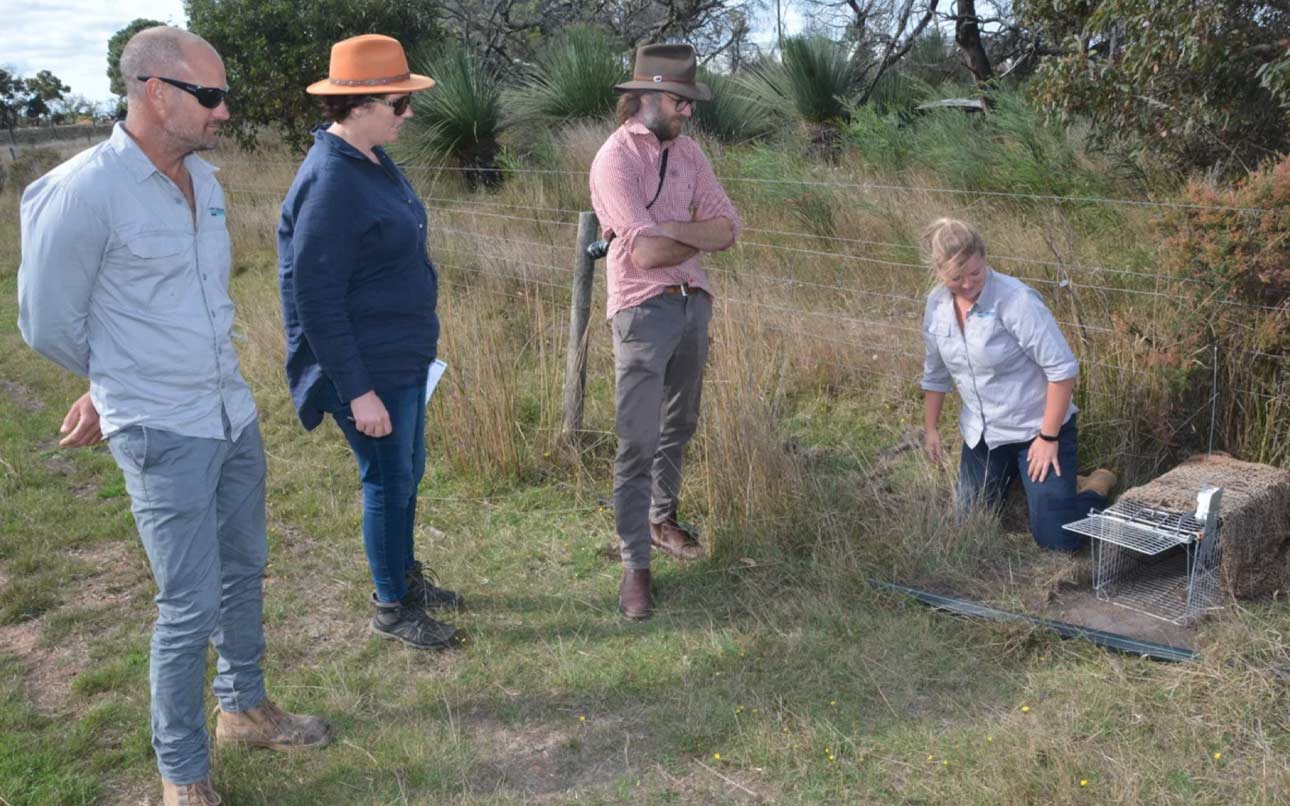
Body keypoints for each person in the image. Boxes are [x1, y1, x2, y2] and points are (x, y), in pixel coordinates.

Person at [17, 26, 328, 806]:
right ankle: (182, 777)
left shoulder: (209, 183)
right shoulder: (81, 190)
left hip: (229, 411)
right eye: (211, 96)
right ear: (157, 93)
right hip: (161, 427)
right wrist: (111, 382)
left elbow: (187, 303)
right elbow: (46, 321)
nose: (223, 112)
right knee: (187, 606)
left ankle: (245, 708)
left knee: (245, 571)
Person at [277, 34, 461, 651]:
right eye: (398, 103)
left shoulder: (374, 158)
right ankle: (391, 606)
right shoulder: (332, 179)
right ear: (357, 105)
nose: (408, 114)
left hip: (401, 356)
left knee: (407, 471)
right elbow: (316, 299)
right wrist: (358, 392)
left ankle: (404, 578)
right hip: (365, 367)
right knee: (386, 480)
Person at [589, 44, 743, 619]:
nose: (689, 112)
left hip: (692, 305)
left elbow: (728, 229)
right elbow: (646, 253)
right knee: (636, 440)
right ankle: (635, 566)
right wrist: (686, 235)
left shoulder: (691, 155)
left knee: (680, 423)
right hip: (640, 310)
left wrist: (674, 229)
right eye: (681, 101)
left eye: (691, 102)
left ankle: (661, 518)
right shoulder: (613, 160)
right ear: (648, 97)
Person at [919, 218, 1117, 550]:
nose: (968, 285)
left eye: (975, 274)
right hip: (983, 436)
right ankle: (1032, 482)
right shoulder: (936, 306)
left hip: (1036, 431)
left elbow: (1062, 370)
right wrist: (931, 429)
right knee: (967, 525)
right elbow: (935, 373)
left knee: (1058, 539)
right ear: (939, 272)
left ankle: (1095, 488)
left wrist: (1048, 437)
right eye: (956, 278)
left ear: (984, 258)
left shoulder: (1017, 301)